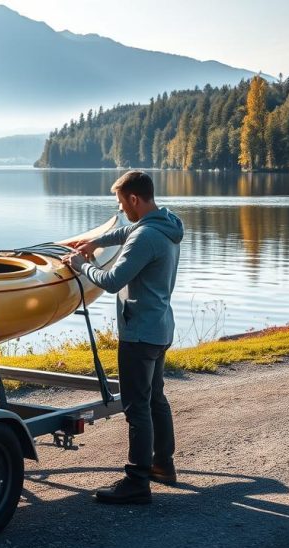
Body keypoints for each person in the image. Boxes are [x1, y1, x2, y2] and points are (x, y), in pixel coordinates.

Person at [62, 170, 184, 505]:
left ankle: (136, 482)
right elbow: (128, 230)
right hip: (160, 328)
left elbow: (113, 280)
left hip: (140, 334)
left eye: (121, 202)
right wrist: (96, 243)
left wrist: (79, 265)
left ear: (133, 199)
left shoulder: (146, 237)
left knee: (136, 407)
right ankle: (163, 466)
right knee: (155, 399)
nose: (121, 209)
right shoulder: (166, 222)